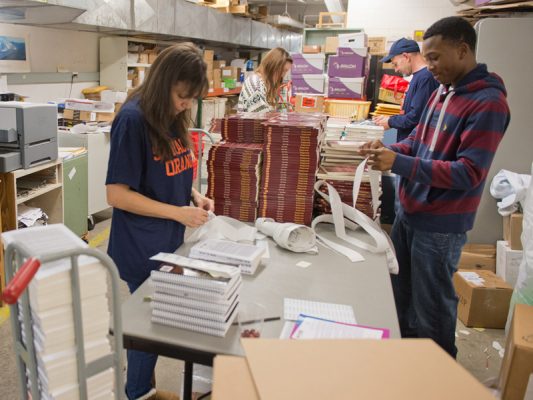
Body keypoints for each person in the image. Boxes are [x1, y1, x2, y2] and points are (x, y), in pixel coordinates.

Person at [359, 16, 510, 358]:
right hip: (411, 211)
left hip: (440, 224)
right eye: (426, 58)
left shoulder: (487, 103)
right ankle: (409, 365)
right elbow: (418, 140)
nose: (429, 66)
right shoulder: (443, 90)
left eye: (435, 58)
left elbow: (468, 172)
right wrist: (388, 150)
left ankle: (440, 377)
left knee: (432, 311)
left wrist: (397, 163)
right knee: (401, 296)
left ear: (462, 50)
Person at [105, 42, 214, 400]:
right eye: (183, 96)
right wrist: (177, 212)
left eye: (191, 99)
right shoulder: (134, 119)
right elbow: (117, 195)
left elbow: (169, 171)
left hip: (170, 242)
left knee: (158, 321)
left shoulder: (170, 114)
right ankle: (137, 392)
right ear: (165, 81)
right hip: (141, 245)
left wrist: (193, 196)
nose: (186, 105)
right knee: (149, 328)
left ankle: (143, 388)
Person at [373, 38, 439, 142]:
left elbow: (417, 117)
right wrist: (389, 119)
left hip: (415, 146)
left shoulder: (425, 78)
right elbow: (410, 112)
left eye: (395, 64)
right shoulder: (418, 77)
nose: (396, 69)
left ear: (406, 57)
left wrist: (391, 121)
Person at [237, 47, 293, 112]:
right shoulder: (255, 84)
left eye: (286, 71)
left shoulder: (267, 84)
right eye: (283, 70)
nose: (283, 75)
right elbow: (262, 117)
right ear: (272, 66)